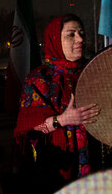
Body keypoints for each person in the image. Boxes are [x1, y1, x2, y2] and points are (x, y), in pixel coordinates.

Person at [13, 15, 99, 182]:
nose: (80, 39)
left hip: (98, 165)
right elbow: (27, 133)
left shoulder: (94, 71)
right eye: (71, 34)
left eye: (82, 33)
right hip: (57, 170)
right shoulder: (40, 79)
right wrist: (61, 120)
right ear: (54, 40)